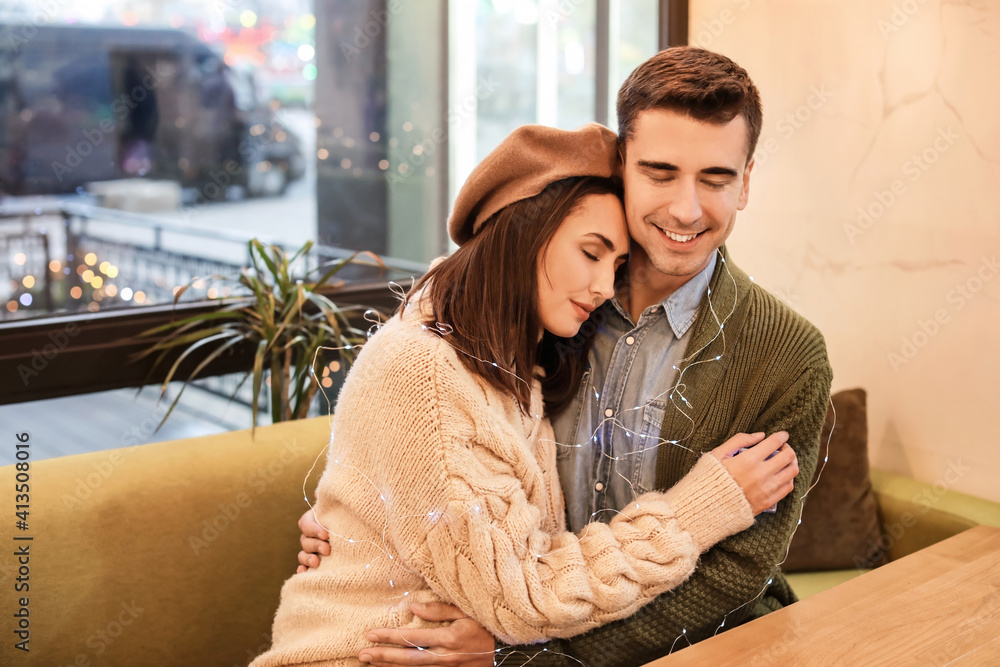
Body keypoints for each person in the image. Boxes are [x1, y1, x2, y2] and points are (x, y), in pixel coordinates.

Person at [299, 46, 834, 666]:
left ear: (745, 185)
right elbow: (438, 423)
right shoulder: (551, 301)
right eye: (660, 173)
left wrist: (525, 653)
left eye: (716, 179)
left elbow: (735, 573)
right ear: (622, 169)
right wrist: (358, 526)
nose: (687, 209)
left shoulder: (788, 353)